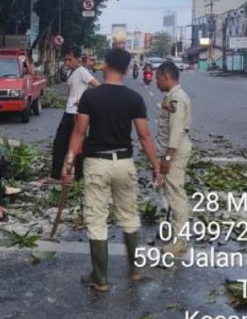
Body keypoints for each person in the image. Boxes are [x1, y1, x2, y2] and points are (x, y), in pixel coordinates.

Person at [62, 48, 162, 292]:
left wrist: (69, 163)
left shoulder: (91, 97)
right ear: (128, 69)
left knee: (97, 219)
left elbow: (79, 132)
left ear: (105, 65)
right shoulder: (134, 98)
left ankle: (101, 278)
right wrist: (157, 167)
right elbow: (144, 136)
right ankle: (135, 270)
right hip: (124, 163)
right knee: (128, 215)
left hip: (97, 163)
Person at [155, 61, 192, 257]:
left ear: (166, 77)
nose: (156, 83)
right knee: (174, 193)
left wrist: (167, 158)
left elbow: (176, 131)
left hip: (175, 152)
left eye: (157, 79)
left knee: (177, 196)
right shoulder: (172, 97)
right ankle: (177, 235)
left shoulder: (176, 99)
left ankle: (180, 242)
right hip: (174, 150)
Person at [51, 46, 100, 180]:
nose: (67, 62)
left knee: (76, 145)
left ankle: (79, 175)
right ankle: (57, 174)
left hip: (76, 114)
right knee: (61, 143)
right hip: (68, 111)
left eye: (70, 60)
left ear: (78, 59)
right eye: (66, 60)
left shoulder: (82, 71)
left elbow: (98, 87)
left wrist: (84, 100)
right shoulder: (71, 72)